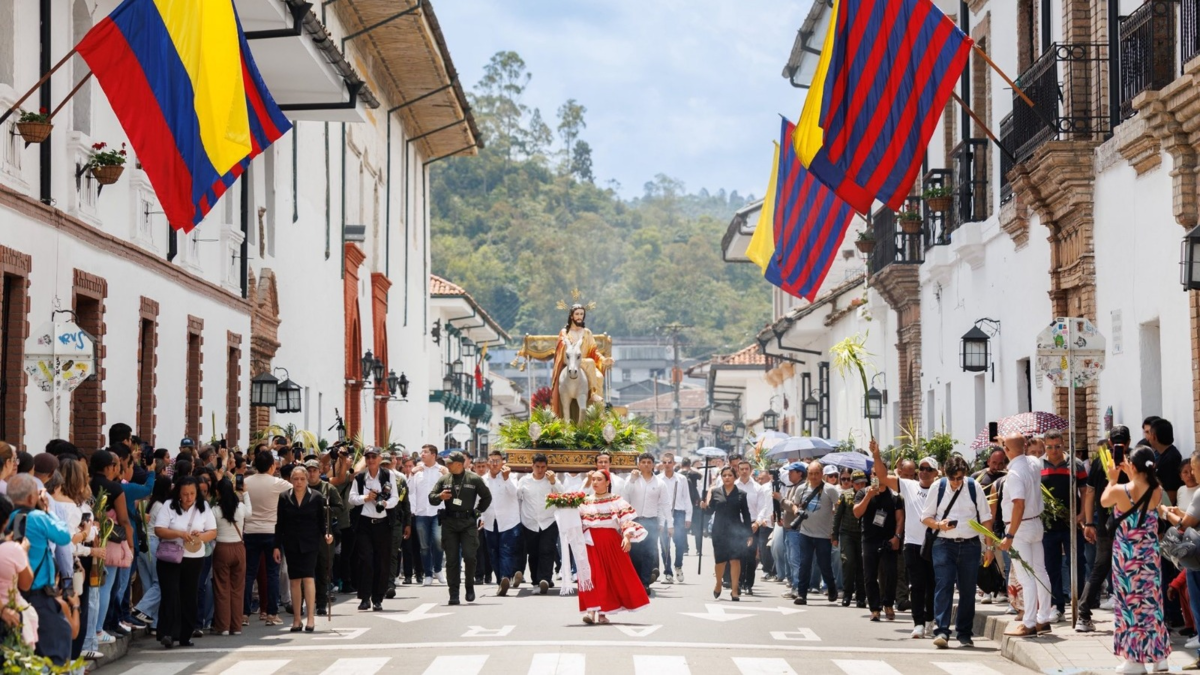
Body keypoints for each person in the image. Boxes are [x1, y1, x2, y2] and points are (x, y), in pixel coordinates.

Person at [1102, 446, 1170, 673]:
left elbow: (1104, 501)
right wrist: (1131, 472)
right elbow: (1141, 490)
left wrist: (1112, 479)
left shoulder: (1120, 490)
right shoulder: (1157, 489)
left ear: (1132, 466)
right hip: (1150, 556)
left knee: (1130, 604)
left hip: (1127, 557)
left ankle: (1135, 660)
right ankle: (1160, 658)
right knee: (1151, 604)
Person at [921, 454, 991, 649]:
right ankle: (942, 631)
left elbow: (986, 518)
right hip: (944, 544)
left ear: (965, 474)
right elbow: (925, 517)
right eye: (952, 478)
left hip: (970, 545)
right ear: (945, 474)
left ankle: (964, 633)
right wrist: (938, 524)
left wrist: (989, 547)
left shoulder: (973, 487)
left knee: (968, 590)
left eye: (959, 478)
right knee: (944, 587)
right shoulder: (938, 487)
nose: (955, 482)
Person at [871, 440, 938, 638]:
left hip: (936, 545)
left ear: (936, 473)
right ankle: (918, 623)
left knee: (933, 584)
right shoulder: (908, 485)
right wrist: (876, 455)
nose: (924, 472)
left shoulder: (942, 488)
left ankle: (930, 620)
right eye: (922, 468)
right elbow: (882, 476)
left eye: (929, 469)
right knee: (916, 585)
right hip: (913, 544)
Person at [8, 474, 75, 664]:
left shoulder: (9, 517)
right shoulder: (38, 517)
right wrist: (48, 509)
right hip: (39, 594)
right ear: (32, 498)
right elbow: (63, 536)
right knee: (55, 648)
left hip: (15, 594)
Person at [998, 434, 1054, 638]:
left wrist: (1010, 534)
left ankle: (1029, 622)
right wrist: (1008, 444)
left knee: (1026, 576)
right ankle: (1043, 618)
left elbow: (1018, 504)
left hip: (1019, 527)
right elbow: (1022, 451)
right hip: (1035, 523)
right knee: (1040, 572)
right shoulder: (1032, 462)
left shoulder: (1014, 473)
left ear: (1006, 450)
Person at [576, 470, 650, 624]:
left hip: (611, 543)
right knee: (591, 576)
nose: (595, 482)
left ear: (607, 482)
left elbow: (626, 521)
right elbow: (575, 521)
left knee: (609, 577)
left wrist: (627, 537)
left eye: (599, 479)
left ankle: (603, 612)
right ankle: (591, 611)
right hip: (590, 543)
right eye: (593, 479)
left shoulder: (616, 500)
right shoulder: (585, 501)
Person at [1078, 427, 1131, 633]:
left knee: (1100, 567)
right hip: (1129, 525)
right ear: (1128, 442)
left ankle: (1084, 613)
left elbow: (1090, 494)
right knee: (1128, 567)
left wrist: (1090, 522)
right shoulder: (1132, 461)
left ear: (1109, 442)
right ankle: (1130, 616)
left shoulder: (1101, 462)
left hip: (1105, 525)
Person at [153, 476, 217, 649]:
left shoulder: (203, 508)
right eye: (185, 494)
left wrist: (200, 537)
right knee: (170, 593)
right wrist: (179, 534)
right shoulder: (169, 506)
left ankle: (185, 635)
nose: (189, 497)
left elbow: (212, 531)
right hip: (171, 556)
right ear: (178, 494)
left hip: (194, 558)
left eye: (192, 493)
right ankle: (167, 633)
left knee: (189, 595)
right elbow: (159, 530)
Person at [428, 451, 491, 605]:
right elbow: (431, 498)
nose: (447, 465)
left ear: (459, 464)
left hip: (468, 523)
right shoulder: (444, 479)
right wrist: (439, 497)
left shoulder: (473, 478)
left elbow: (487, 497)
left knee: (470, 556)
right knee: (452, 560)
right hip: (449, 523)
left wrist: (477, 512)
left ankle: (469, 586)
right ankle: (454, 593)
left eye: (450, 463)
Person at [275, 466, 332, 632]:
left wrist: (327, 535)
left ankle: (311, 618)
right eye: (295, 479)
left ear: (307, 480)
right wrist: (276, 546)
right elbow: (280, 524)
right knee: (294, 580)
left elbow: (322, 522)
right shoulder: (284, 497)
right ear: (291, 481)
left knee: (308, 577)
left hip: (310, 542)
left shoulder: (316, 497)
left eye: (302, 479)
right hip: (291, 543)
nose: (298, 482)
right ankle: (297, 619)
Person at [1039, 429, 1086, 624]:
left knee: (1076, 564)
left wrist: (1082, 515)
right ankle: (1057, 606)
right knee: (1051, 566)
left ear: (1063, 445)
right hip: (1048, 524)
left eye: (1057, 447)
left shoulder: (1075, 464)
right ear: (1044, 446)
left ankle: (1082, 605)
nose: (1054, 451)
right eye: (1049, 447)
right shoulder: (1038, 465)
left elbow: (1085, 491)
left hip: (1071, 522)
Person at [242, 450, 291, 626]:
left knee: (249, 574)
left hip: (250, 530)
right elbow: (295, 490)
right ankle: (271, 613)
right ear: (273, 466)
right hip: (272, 531)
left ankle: (244, 614)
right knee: (272, 573)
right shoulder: (278, 483)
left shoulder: (246, 482)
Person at [348, 448, 400, 611]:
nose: (370, 460)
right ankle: (364, 597)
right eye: (368, 457)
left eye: (373, 457)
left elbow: (395, 498)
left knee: (381, 562)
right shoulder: (360, 477)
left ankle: (378, 598)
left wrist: (384, 503)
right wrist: (366, 498)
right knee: (366, 561)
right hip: (364, 523)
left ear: (379, 458)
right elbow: (352, 498)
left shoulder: (388, 475)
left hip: (383, 523)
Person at [783, 461, 840, 605]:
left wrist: (835, 531)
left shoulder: (830, 489)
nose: (814, 477)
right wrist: (796, 510)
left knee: (824, 564)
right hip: (805, 533)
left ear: (821, 474)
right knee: (805, 563)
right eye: (811, 473)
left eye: (816, 474)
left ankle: (831, 588)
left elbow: (839, 507)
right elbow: (795, 504)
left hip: (823, 535)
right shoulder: (801, 489)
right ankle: (802, 594)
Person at [853, 471, 902, 622]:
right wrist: (868, 496)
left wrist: (897, 537)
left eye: (880, 473)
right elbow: (857, 513)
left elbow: (900, 519)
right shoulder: (863, 492)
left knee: (890, 573)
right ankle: (875, 608)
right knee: (870, 575)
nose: (877, 476)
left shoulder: (894, 495)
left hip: (888, 539)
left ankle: (888, 604)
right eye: (874, 473)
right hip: (869, 539)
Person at [701, 467, 753, 601]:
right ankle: (718, 583)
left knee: (735, 560)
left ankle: (735, 590)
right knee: (720, 561)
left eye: (730, 475)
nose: (727, 478)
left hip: (736, 531)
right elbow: (710, 511)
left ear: (735, 477)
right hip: (719, 531)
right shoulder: (716, 492)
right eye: (724, 475)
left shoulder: (741, 494)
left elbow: (746, 515)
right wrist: (704, 506)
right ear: (721, 477)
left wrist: (749, 533)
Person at [621, 453, 670, 594]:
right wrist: (631, 479)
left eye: (649, 462)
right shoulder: (632, 479)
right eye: (643, 462)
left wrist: (664, 523)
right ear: (639, 464)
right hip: (634, 521)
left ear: (653, 465)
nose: (646, 464)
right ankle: (635, 580)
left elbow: (663, 504)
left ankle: (645, 582)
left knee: (649, 553)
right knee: (635, 553)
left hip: (651, 521)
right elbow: (625, 497)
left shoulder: (659, 483)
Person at [549, 304, 611, 416]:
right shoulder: (565, 332)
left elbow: (594, 350)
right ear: (571, 316)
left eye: (581, 314)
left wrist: (603, 360)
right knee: (590, 362)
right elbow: (561, 350)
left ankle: (598, 411)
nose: (579, 317)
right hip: (571, 363)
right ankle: (592, 393)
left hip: (586, 364)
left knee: (599, 376)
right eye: (577, 314)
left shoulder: (587, 332)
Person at [305, 458, 346, 613]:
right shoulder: (302, 488)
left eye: (314, 470)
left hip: (325, 533)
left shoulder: (328, 488)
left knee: (323, 569)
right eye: (308, 470)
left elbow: (340, 508)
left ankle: (321, 603)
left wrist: (325, 509)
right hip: (306, 533)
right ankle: (305, 603)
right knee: (306, 570)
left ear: (319, 471)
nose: (311, 473)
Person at [517, 453, 561, 592]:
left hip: (549, 521)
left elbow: (562, 495)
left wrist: (554, 482)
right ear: (532, 466)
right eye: (537, 467)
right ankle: (536, 581)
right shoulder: (524, 481)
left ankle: (545, 580)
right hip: (529, 522)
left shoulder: (552, 480)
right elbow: (518, 499)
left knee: (547, 550)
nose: (540, 470)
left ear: (547, 467)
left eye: (543, 467)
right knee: (534, 553)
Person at [480, 450, 520, 596]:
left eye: (497, 460)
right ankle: (500, 582)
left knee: (506, 550)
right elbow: (479, 500)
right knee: (493, 552)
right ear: (487, 463)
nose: (494, 464)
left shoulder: (511, 477)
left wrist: (506, 478)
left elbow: (515, 493)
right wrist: (481, 518)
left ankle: (505, 577)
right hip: (490, 521)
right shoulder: (483, 480)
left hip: (508, 520)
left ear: (503, 462)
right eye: (492, 461)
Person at [211, 477, 247, 636]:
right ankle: (236, 626)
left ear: (218, 492)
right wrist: (245, 493)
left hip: (221, 548)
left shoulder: (215, 510)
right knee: (237, 589)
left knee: (221, 588)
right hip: (239, 548)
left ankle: (223, 626)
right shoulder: (241, 507)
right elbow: (251, 513)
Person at [410, 445, 448, 587]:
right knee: (424, 545)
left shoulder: (442, 470)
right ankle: (428, 574)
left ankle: (438, 569)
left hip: (438, 511)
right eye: (422, 452)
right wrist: (412, 474)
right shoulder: (418, 471)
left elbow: (453, 488)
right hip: (421, 512)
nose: (422, 454)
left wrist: (447, 474)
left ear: (433, 455)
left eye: (425, 452)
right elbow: (410, 491)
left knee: (438, 542)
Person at [732, 461, 769, 595]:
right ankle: (739, 582)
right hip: (737, 525)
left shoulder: (757, 488)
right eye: (741, 469)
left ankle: (749, 584)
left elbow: (763, 507)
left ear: (750, 470)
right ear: (737, 470)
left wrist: (757, 523)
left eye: (746, 469)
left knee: (750, 556)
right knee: (738, 555)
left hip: (752, 525)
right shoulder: (733, 486)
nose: (744, 471)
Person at [832, 470, 867, 608]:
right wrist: (834, 535)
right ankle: (847, 594)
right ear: (852, 483)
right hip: (847, 533)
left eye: (863, 483)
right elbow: (837, 516)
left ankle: (861, 597)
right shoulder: (845, 496)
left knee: (862, 565)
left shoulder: (868, 494)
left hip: (863, 535)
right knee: (848, 562)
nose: (861, 485)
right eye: (857, 483)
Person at [658, 452, 691, 584]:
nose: (667, 465)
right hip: (663, 514)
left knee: (680, 542)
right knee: (664, 544)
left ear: (674, 463)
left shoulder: (681, 479)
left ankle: (678, 566)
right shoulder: (658, 479)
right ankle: (668, 572)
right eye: (665, 462)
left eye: (669, 462)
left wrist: (688, 516)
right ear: (662, 464)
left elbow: (686, 498)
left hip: (679, 513)